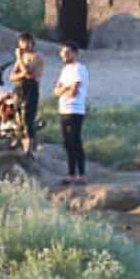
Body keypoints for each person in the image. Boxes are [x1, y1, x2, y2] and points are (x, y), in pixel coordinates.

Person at [52, 41, 88, 185]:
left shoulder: (79, 69)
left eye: (67, 52)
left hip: (75, 109)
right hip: (64, 109)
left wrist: (65, 90)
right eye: (63, 52)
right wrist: (65, 89)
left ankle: (82, 174)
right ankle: (71, 173)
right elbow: (56, 90)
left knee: (75, 141)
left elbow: (74, 91)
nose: (64, 55)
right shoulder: (65, 70)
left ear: (75, 53)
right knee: (67, 142)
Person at [7, 33, 43, 155]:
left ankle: (30, 147)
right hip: (19, 89)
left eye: (27, 42)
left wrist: (19, 60)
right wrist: (21, 72)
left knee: (28, 118)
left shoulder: (36, 57)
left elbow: (28, 73)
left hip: (31, 89)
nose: (24, 45)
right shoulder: (22, 58)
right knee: (17, 117)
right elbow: (12, 76)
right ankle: (19, 141)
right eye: (22, 42)